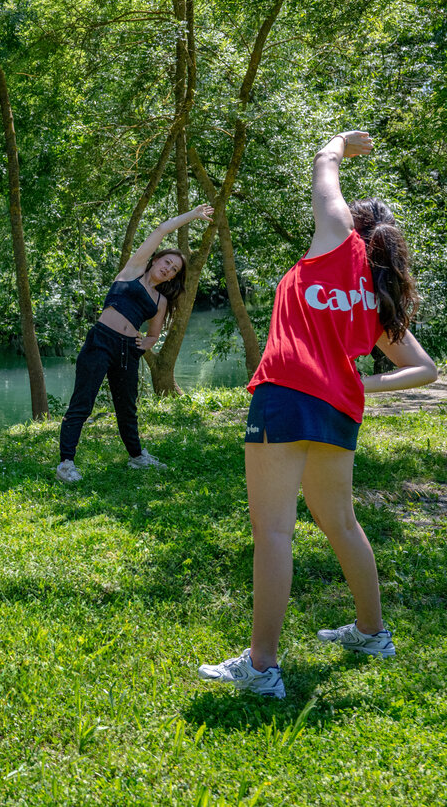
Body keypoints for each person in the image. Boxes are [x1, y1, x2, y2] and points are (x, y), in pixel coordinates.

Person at [199, 131, 437, 699]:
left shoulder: (336, 241)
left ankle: (261, 666)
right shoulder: (379, 298)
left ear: (354, 226)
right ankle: (372, 632)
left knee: (274, 530)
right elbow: (425, 369)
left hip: (285, 395)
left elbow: (323, 164)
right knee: (342, 523)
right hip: (339, 410)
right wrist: (364, 383)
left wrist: (341, 142)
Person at [55, 203, 214, 483]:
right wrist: (192, 216)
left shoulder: (160, 301)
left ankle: (137, 457)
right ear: (155, 259)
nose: (168, 269)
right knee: (82, 403)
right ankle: (66, 463)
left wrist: (145, 344)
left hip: (128, 352)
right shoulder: (133, 270)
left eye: (174, 270)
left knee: (127, 407)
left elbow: (153, 333)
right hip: (101, 342)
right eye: (167, 262)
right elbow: (162, 228)